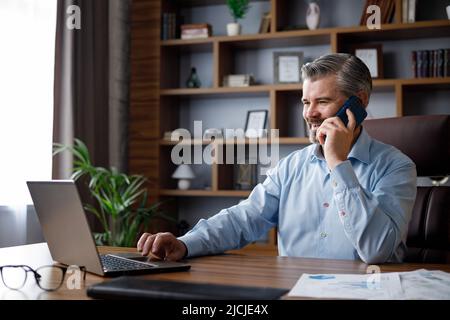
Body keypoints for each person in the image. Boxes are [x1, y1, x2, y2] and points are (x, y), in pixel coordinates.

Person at [137, 53, 417, 264]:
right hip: (294, 291)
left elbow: (376, 250)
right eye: (306, 102)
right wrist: (185, 244)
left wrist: (338, 164)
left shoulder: (396, 167)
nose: (309, 113)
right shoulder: (292, 165)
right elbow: (243, 219)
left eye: (322, 102)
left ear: (359, 102)